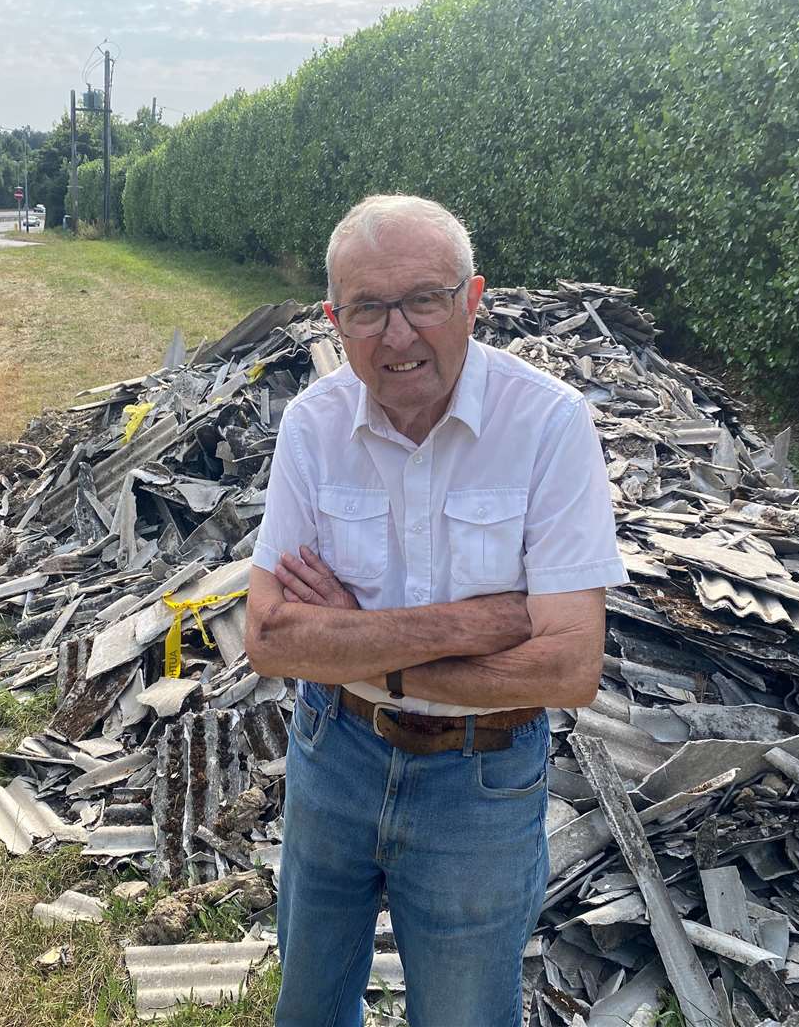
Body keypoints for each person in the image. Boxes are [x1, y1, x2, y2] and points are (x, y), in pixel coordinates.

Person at [244, 195, 626, 1027]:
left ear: (473, 299)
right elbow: (270, 638)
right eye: (368, 309)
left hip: (480, 782)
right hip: (333, 752)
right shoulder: (312, 426)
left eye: (424, 299)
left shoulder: (549, 427)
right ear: (333, 318)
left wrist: (353, 639)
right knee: (307, 1006)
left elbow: (568, 667)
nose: (398, 334)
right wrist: (479, 620)